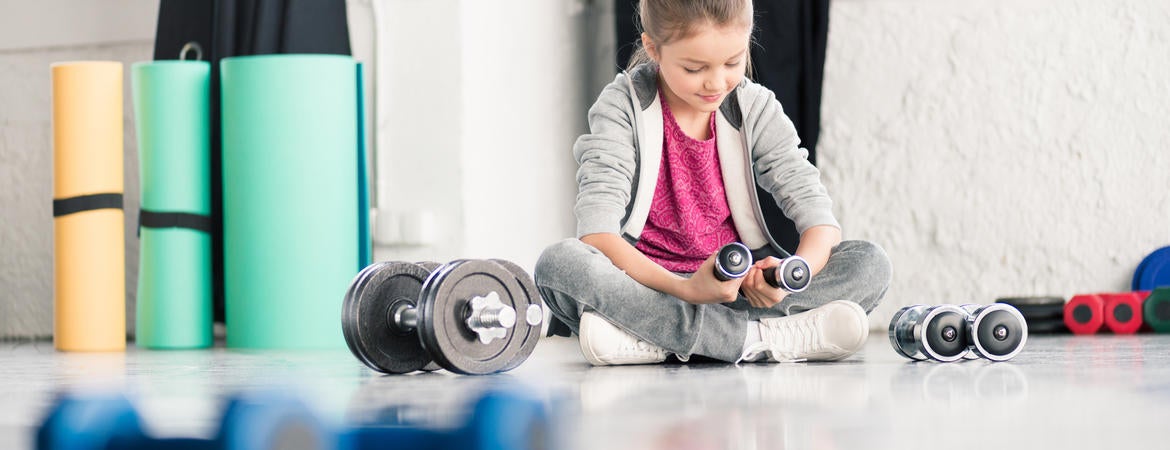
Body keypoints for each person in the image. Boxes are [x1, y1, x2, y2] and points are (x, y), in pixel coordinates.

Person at [534, 0, 891, 366]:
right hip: (649, 287)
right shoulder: (622, 105)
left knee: (869, 264)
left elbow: (820, 222)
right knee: (559, 265)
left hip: (734, 293)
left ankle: (655, 338)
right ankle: (759, 339)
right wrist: (686, 289)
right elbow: (597, 235)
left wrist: (789, 277)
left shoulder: (755, 106)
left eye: (732, 63)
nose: (716, 83)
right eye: (694, 68)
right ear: (653, 48)